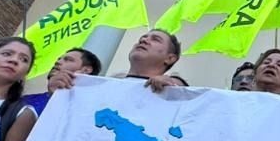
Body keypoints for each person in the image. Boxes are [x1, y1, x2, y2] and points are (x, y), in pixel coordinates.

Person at [47, 29, 184, 94]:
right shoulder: (95, 89)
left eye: (155, 39)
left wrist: (176, 86)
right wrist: (56, 94)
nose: (143, 40)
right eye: (143, 37)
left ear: (170, 58)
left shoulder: (175, 90)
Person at [23, 48, 101, 115]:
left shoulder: (91, 110)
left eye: (68, 60)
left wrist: (58, 96)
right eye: (59, 59)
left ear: (86, 70)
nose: (57, 62)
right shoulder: (25, 100)